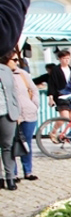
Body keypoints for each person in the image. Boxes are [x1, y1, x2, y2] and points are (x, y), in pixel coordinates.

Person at [2, 51, 38, 182]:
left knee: (26, 142)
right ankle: (13, 173)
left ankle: (28, 171)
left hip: (28, 113)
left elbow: (33, 89)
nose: (17, 62)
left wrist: (34, 105)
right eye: (14, 60)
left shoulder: (22, 74)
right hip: (12, 115)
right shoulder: (4, 75)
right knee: (11, 144)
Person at [0, 52, 19, 190]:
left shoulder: (5, 70)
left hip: (7, 112)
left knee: (8, 146)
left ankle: (10, 177)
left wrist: (17, 110)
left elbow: (13, 92)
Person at [47, 49, 71, 142]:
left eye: (68, 58)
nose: (66, 60)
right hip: (60, 96)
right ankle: (53, 132)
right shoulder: (56, 70)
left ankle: (68, 135)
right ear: (60, 59)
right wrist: (50, 97)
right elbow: (51, 84)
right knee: (64, 117)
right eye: (64, 58)